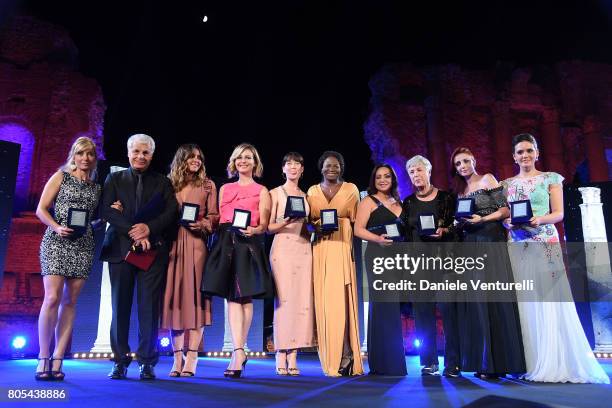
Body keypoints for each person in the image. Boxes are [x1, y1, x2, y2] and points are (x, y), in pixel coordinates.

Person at [502, 133, 609, 383]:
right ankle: (530, 361)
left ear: (537, 153)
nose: (525, 155)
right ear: (514, 156)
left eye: (529, 150)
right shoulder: (507, 184)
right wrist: (508, 223)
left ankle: (555, 361)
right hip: (518, 244)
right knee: (526, 301)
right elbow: (507, 214)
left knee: (550, 300)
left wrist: (539, 219)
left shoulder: (551, 178)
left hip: (545, 241)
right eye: (520, 152)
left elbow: (559, 213)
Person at [101, 133, 178, 380]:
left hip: (152, 251)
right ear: (128, 153)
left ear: (152, 155)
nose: (140, 156)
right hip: (121, 250)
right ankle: (120, 360)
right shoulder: (114, 178)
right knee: (119, 306)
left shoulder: (163, 183)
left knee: (148, 308)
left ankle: (147, 361)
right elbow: (106, 211)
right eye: (136, 151)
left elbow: (170, 213)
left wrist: (150, 229)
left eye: (145, 152)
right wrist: (135, 232)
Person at [450, 147, 526, 379]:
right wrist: (458, 223)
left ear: (474, 160)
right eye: (457, 164)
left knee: (494, 299)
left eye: (465, 161)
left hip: (490, 240)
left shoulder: (488, 178)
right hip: (470, 244)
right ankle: (484, 362)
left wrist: (482, 218)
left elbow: (504, 210)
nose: (462, 166)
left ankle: (500, 363)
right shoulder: (461, 190)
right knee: (479, 302)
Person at [201, 143, 273, 378]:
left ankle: (238, 351)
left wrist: (256, 230)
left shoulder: (262, 190)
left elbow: (264, 225)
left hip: (248, 244)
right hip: (226, 241)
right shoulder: (225, 188)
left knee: (245, 296)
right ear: (234, 161)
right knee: (232, 297)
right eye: (239, 157)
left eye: (248, 157)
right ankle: (238, 351)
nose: (243, 161)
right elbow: (221, 218)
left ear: (255, 163)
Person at [35, 136, 102, 381]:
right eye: (81, 154)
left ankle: (58, 358)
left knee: (70, 301)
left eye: (90, 155)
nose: (85, 159)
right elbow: (41, 209)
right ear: (73, 155)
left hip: (82, 245)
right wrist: (55, 227)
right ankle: (43, 356)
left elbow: (92, 217)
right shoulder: (60, 177)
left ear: (95, 159)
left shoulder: (96, 188)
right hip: (56, 241)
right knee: (52, 298)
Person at [401, 155, 461, 378]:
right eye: (412, 172)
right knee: (423, 313)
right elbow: (406, 234)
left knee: (448, 312)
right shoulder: (408, 203)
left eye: (419, 170)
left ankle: (453, 363)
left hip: (444, 263)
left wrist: (445, 231)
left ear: (429, 170)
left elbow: (458, 226)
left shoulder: (446, 198)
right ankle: (428, 362)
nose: (416, 175)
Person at [161, 144, 219, 377]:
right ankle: (176, 360)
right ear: (181, 159)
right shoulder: (168, 183)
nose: (196, 160)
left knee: (196, 302)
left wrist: (203, 225)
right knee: (174, 301)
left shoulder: (208, 185)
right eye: (191, 157)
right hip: (173, 245)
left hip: (197, 246)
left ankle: (192, 357)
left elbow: (215, 216)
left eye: (199, 157)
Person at [307, 151, 364, 377]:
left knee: (343, 303)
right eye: (328, 165)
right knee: (326, 305)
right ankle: (332, 358)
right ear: (321, 167)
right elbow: (308, 223)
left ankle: (348, 356)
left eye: (336, 165)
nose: (332, 168)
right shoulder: (312, 191)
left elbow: (358, 222)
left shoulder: (351, 189)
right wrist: (316, 228)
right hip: (321, 249)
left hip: (342, 248)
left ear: (342, 168)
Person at [354, 164, 407, 376]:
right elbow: (358, 229)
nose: (383, 180)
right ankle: (381, 362)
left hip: (397, 258)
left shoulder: (400, 202)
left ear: (393, 179)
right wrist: (377, 239)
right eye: (378, 177)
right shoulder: (368, 201)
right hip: (377, 256)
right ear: (373, 181)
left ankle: (393, 362)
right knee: (381, 304)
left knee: (393, 306)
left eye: (387, 176)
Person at [267, 152, 315, 376]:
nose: (293, 167)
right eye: (289, 164)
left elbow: (310, 225)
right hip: (283, 248)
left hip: (304, 248)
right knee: (283, 300)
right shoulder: (275, 193)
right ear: (283, 168)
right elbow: (268, 227)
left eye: (297, 163)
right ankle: (280, 352)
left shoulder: (308, 196)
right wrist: (284, 221)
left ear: (302, 169)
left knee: (301, 301)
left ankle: (294, 353)